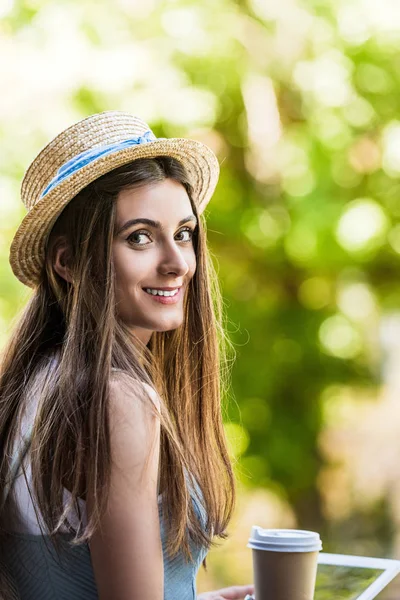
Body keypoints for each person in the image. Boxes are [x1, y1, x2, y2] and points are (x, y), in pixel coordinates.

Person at [0, 111, 255, 600]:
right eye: (139, 236)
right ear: (68, 262)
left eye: (183, 233)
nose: (177, 262)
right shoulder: (118, 401)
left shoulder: (35, 379)